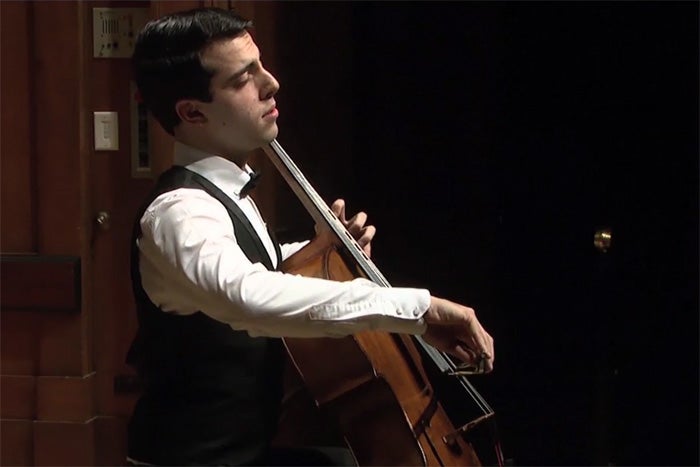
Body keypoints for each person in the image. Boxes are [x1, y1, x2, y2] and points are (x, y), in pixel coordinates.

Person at [126, 7, 494, 466]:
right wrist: (417, 310)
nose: (270, 82)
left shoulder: (225, 189)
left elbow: (250, 262)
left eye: (260, 65)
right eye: (243, 79)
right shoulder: (179, 212)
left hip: (245, 451)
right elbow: (246, 296)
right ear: (192, 111)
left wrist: (317, 253)